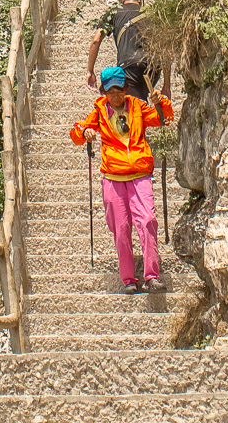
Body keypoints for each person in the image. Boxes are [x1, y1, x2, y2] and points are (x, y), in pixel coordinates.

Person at [70, 65, 174, 292]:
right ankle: (128, 279)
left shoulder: (137, 106)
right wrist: (85, 132)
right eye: (110, 91)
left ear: (126, 88)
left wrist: (160, 102)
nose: (115, 95)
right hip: (113, 176)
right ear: (104, 92)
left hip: (140, 174)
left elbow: (163, 119)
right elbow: (78, 132)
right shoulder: (98, 111)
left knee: (147, 220)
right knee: (121, 227)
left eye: (119, 90)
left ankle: (152, 275)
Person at [85, 0, 171, 104]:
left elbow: (96, 40)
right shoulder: (153, 13)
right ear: (139, 0)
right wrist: (167, 85)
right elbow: (165, 47)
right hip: (154, 66)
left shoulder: (114, 12)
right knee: (139, 103)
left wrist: (90, 71)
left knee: (133, 107)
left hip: (129, 67)